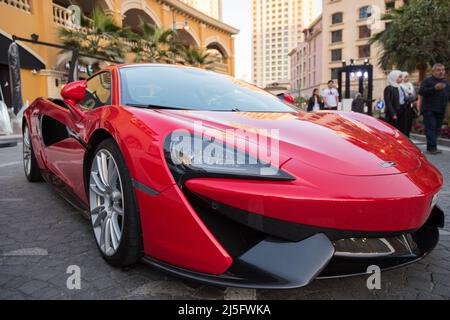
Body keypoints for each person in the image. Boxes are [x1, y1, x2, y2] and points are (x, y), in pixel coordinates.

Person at [419, 63, 450, 155]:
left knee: (437, 129)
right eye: (438, 70)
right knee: (431, 128)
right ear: (433, 71)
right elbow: (421, 92)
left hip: (441, 109)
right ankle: (432, 148)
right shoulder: (427, 81)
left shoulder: (446, 82)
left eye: (443, 70)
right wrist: (434, 88)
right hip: (429, 109)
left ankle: (431, 147)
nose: (441, 72)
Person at [400, 71, 417, 137]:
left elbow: (414, 95)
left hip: (410, 107)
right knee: (404, 123)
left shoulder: (410, 85)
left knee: (409, 122)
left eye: (407, 77)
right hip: (404, 107)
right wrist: (409, 97)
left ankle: (408, 135)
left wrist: (411, 97)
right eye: (405, 77)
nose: (407, 78)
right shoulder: (400, 86)